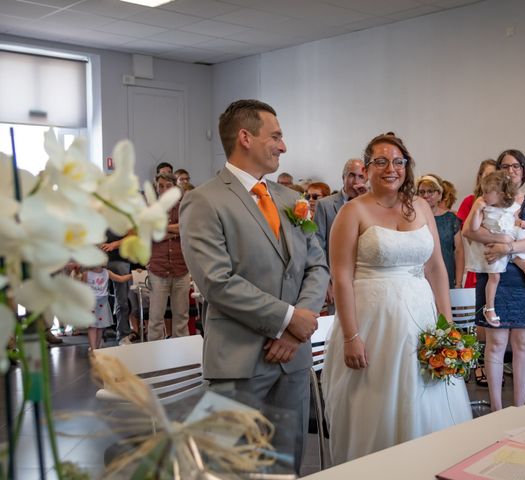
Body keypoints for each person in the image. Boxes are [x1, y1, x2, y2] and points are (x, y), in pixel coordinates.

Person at [179, 99, 329, 473]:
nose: (283, 146)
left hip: (292, 360)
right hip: (238, 362)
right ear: (245, 137)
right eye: (276, 136)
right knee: (231, 468)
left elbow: (316, 266)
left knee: (286, 466)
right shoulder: (204, 201)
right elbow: (217, 282)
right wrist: (287, 319)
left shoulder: (290, 199)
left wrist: (296, 330)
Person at [322, 133, 472, 465]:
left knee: (427, 399)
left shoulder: (420, 206)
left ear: (407, 166)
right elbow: (342, 277)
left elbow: (435, 268)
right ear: (367, 168)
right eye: (381, 161)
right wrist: (351, 336)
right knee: (379, 406)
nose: (391, 168)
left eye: (398, 161)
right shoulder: (352, 212)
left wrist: (447, 327)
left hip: (422, 317)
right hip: (374, 323)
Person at [462, 149, 525, 410]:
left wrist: (507, 248)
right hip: (492, 273)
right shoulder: (485, 199)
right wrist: (499, 242)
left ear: (524, 171)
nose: (511, 171)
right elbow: (468, 231)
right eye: (505, 166)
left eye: (516, 167)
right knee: (496, 342)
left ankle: (520, 408)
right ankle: (497, 409)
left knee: (523, 343)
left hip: (522, 277)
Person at [465, 170, 525, 328]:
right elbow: (472, 228)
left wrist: (521, 223)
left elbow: (515, 218)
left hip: (512, 241)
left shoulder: (512, 206)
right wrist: (477, 210)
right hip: (493, 247)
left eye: (487, 192)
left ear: (499, 194)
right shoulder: (484, 207)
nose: (483, 195)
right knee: (495, 277)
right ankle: (489, 308)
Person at [315, 158, 367, 313]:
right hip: (337, 280)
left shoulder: (372, 205)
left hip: (366, 280)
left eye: (361, 177)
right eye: (351, 175)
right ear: (343, 177)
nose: (355, 181)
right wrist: (325, 283)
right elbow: (318, 247)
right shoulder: (325, 205)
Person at [147, 172, 190, 341]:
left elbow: (188, 228)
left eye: (168, 186)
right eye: (161, 186)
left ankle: (184, 358)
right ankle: (153, 357)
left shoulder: (184, 206)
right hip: (158, 269)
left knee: (181, 317)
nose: (164, 189)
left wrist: (164, 228)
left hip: (182, 268)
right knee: (156, 318)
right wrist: (176, 230)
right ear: (156, 189)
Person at [417, 174, 463, 289]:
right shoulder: (414, 218)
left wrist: (458, 282)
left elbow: (459, 251)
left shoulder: (451, 219)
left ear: (439, 194)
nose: (426, 196)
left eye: (430, 191)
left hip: (446, 275)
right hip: (420, 278)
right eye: (422, 192)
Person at [457, 159, 497, 288]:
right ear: (480, 178)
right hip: (478, 259)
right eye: (487, 176)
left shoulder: (505, 204)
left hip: (500, 263)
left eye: (495, 176)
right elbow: (469, 233)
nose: (491, 180)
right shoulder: (470, 202)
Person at [83, 265, 132, 351]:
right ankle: (93, 348)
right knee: (92, 326)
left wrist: (133, 275)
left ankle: (96, 348)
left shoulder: (107, 272)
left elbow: (120, 278)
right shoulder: (87, 274)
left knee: (101, 327)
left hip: (103, 303)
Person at [101, 231, 131, 344]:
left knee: (122, 300)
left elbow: (132, 234)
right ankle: (98, 336)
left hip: (120, 259)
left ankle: (123, 335)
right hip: (99, 262)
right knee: (97, 298)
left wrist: (115, 244)